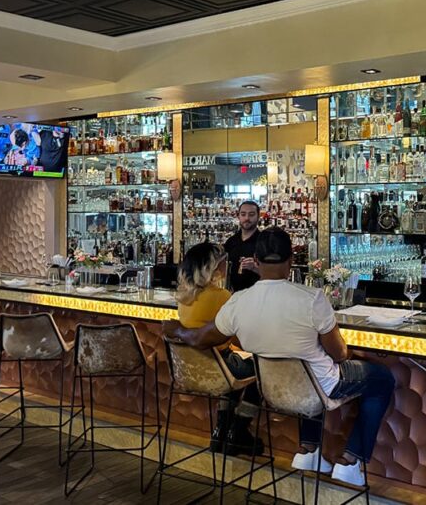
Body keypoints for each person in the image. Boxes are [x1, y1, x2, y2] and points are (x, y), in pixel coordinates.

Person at [189, 228, 395, 487]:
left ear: (256, 260)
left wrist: (176, 329)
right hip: (319, 386)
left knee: (307, 373)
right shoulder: (312, 298)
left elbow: (203, 337)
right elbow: (340, 353)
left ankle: (309, 451)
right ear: (290, 261)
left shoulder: (238, 301)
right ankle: (350, 462)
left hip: (272, 391)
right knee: (383, 379)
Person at [167, 242, 263, 456]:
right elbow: (237, 334)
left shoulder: (184, 296)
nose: (225, 265)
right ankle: (238, 430)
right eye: (221, 263)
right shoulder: (221, 296)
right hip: (219, 366)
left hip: (192, 368)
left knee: (232, 370)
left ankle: (220, 431)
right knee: (261, 368)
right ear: (212, 268)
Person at [223, 201, 261, 292]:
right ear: (238, 216)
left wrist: (255, 268)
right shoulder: (231, 242)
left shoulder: (264, 242)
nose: (247, 218)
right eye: (243, 214)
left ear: (258, 216)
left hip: (257, 296)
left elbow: (274, 275)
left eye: (251, 214)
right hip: (233, 296)